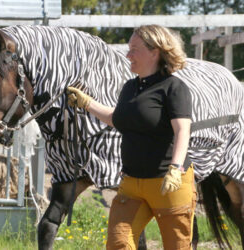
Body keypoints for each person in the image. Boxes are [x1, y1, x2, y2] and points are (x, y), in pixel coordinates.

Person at [67, 25, 196, 250]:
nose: (128, 55)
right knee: (118, 244)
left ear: (154, 52)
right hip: (132, 184)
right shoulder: (129, 87)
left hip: (168, 183)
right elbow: (118, 119)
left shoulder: (174, 88)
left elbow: (183, 130)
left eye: (134, 49)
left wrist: (175, 168)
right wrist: (86, 103)